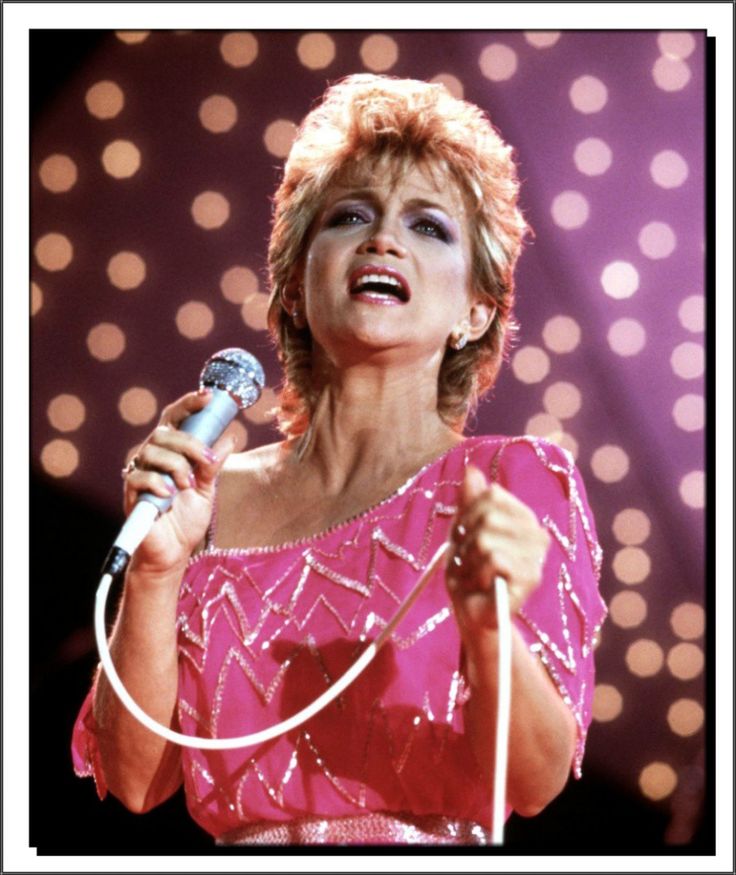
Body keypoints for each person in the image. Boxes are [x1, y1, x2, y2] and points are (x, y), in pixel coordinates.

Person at [72, 74, 607, 846]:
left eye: (430, 227)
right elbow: (135, 777)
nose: (383, 239)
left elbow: (534, 779)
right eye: (352, 215)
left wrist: (489, 626)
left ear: (475, 311)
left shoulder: (510, 483)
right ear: (294, 286)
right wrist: (157, 570)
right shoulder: (208, 496)